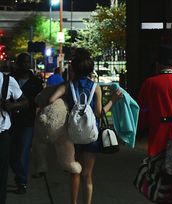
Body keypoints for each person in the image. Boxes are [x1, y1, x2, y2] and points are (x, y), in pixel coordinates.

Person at [48, 48, 121, 204]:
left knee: (75, 172)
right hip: (90, 136)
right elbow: (98, 113)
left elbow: (50, 100)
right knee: (87, 175)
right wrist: (113, 101)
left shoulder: (68, 86)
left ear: (73, 68)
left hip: (72, 135)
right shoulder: (96, 88)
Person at [137, 44, 172, 157]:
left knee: (156, 167)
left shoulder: (150, 83)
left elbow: (142, 109)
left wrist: (139, 129)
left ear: (158, 64)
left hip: (158, 133)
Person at [9, 53, 43, 194]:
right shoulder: (10, 79)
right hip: (10, 121)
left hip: (28, 122)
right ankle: (19, 175)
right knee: (11, 153)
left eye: (27, 62)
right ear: (17, 63)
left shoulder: (36, 82)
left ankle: (22, 181)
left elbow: (41, 101)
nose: (25, 64)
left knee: (23, 151)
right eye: (22, 62)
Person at [0, 71, 28, 204]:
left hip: (2, 133)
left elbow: (25, 102)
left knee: (1, 171)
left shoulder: (7, 81)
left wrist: (12, 105)